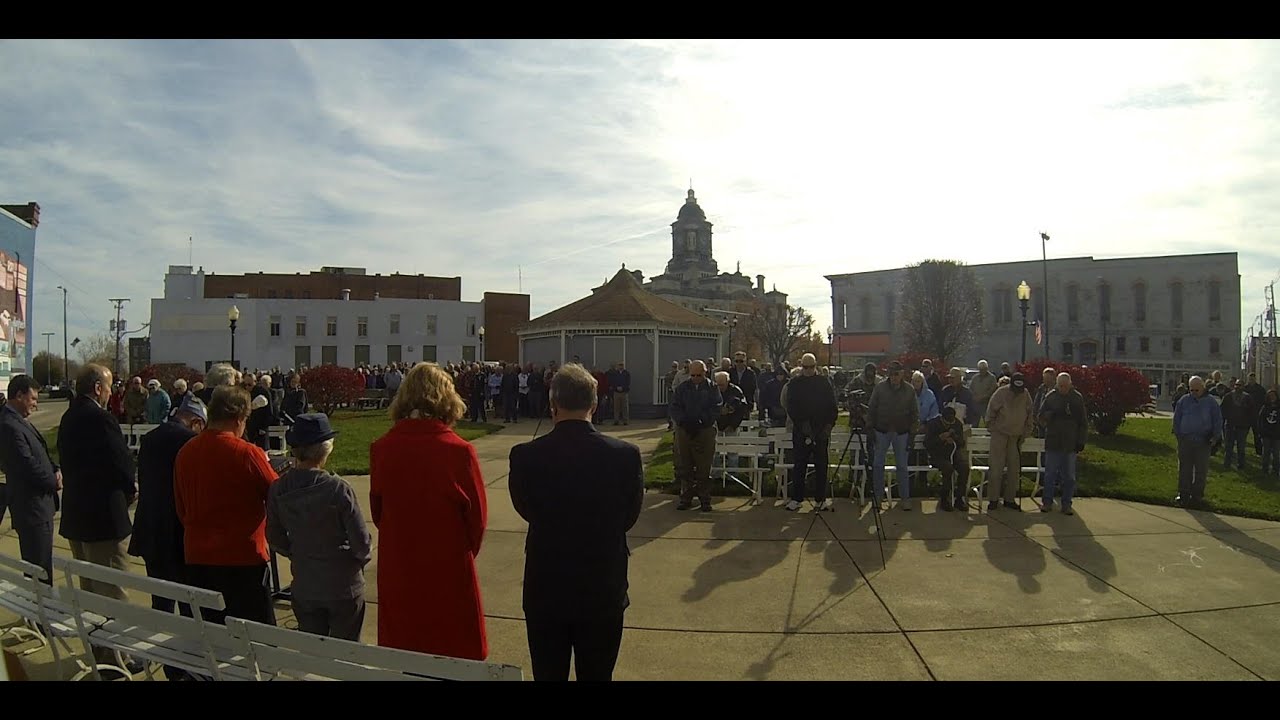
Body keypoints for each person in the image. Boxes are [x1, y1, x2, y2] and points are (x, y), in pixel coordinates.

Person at [508, 364, 643, 681]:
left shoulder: (525, 456)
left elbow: (524, 507)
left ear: (552, 404)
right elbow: (630, 515)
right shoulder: (625, 455)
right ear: (594, 404)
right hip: (602, 583)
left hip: (546, 584)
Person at [370, 363, 488, 660]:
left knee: (406, 650)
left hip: (400, 563)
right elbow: (477, 521)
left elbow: (378, 511)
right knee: (452, 649)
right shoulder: (458, 451)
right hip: (447, 564)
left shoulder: (383, 448)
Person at [58, 364, 143, 670]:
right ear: (97, 388)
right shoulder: (101, 418)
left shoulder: (69, 417)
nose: (110, 392)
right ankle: (118, 659)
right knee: (112, 591)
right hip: (103, 519)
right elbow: (121, 462)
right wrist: (131, 487)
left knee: (90, 592)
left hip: (77, 517)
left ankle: (101, 652)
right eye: (108, 387)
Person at [174, 386, 279, 626]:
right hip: (243, 558)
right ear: (239, 418)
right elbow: (276, 493)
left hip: (198, 557)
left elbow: (181, 507)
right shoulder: (247, 453)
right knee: (258, 635)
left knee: (212, 633)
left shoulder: (186, 452)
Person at [266, 413, 371, 641]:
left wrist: (297, 553)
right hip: (343, 585)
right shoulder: (338, 489)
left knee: (313, 649)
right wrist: (356, 561)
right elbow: (362, 543)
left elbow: (274, 536)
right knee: (347, 650)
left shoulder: (279, 489)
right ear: (326, 449)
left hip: (305, 584)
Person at [128, 395, 206, 680]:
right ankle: (187, 664)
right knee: (188, 605)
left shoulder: (150, 438)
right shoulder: (190, 442)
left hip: (151, 528)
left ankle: (168, 661)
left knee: (161, 602)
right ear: (196, 423)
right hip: (178, 530)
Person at [0, 374, 61, 584]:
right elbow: (26, 464)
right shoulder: (8, 424)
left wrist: (55, 468)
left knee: (42, 567)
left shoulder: (18, 421)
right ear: (19, 395)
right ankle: (41, 604)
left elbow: (40, 451)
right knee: (39, 570)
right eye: (33, 398)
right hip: (31, 508)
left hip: (39, 506)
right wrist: (53, 481)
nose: (36, 404)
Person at [784, 354, 839, 512]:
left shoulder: (824, 382)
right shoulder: (795, 383)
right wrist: (803, 425)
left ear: (816, 366)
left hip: (821, 431)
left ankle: (820, 499)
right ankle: (797, 498)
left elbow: (832, 406)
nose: (808, 370)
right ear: (801, 366)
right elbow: (791, 406)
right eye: (805, 367)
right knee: (799, 465)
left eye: (811, 367)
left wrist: (828, 426)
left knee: (821, 466)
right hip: (801, 431)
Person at [669, 360, 722, 512]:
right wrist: (683, 421)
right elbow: (674, 407)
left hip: (705, 430)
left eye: (699, 375)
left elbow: (716, 407)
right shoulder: (682, 388)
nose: (696, 378)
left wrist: (702, 420)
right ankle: (685, 498)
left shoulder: (712, 388)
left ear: (705, 373)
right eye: (693, 375)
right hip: (685, 430)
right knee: (685, 465)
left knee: (704, 467)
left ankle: (704, 499)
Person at [868, 361, 919, 510]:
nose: (893, 377)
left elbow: (915, 413)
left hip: (901, 431)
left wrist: (912, 433)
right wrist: (870, 427)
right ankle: (878, 497)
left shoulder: (909, 390)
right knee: (878, 465)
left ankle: (905, 498)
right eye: (891, 374)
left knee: (902, 466)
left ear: (902, 374)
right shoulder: (880, 388)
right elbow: (872, 408)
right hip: (881, 430)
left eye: (896, 374)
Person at [984, 372, 1034, 511]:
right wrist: (993, 429)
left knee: (1014, 470)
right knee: (996, 469)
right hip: (1000, 436)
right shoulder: (1001, 393)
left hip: (1016, 438)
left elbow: (1030, 415)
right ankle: (993, 499)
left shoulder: (1025, 394)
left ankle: (1009, 499)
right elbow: (990, 413)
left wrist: (1025, 433)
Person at [1038, 372, 1087, 515]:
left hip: (1070, 443)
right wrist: (1049, 416)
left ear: (1070, 384)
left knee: (1069, 477)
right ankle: (1047, 502)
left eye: (1065, 386)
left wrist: (1081, 441)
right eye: (1060, 386)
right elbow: (1040, 417)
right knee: (1050, 475)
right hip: (1053, 442)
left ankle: (1066, 504)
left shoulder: (1077, 398)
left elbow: (1083, 422)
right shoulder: (1050, 397)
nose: (1063, 389)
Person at [1172, 376, 1222, 508]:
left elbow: (1217, 420)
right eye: (1191, 390)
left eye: (1197, 390)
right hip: (1185, 440)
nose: (1194, 393)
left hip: (1203, 441)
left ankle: (1197, 495)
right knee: (1184, 469)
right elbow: (1177, 418)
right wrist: (1178, 435)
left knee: (1201, 470)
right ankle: (1183, 494)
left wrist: (1215, 437)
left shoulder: (1211, 402)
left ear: (1203, 388)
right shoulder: (1184, 401)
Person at [925, 405, 968, 511]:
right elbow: (927, 443)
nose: (948, 425)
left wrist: (954, 439)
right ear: (942, 418)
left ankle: (959, 498)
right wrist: (940, 438)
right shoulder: (933, 424)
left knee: (964, 467)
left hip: (953, 454)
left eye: (950, 423)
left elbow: (961, 443)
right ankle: (945, 499)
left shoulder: (957, 424)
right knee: (948, 468)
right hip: (937, 455)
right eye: (946, 423)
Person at [1220, 379, 1255, 471]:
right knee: (1228, 447)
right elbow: (1222, 410)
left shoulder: (1247, 398)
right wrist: (1226, 419)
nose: (1237, 387)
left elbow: (1252, 412)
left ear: (1243, 386)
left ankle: (1241, 465)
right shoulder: (1228, 396)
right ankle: (1227, 464)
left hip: (1242, 426)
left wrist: (1248, 424)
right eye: (1236, 385)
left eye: (1240, 385)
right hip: (1230, 425)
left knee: (1241, 447)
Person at [1258, 390, 1280, 476]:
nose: (1272, 397)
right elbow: (1260, 420)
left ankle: (1276, 470)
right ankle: (1265, 469)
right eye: (1270, 396)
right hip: (1266, 434)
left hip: (1277, 435)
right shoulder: (1264, 408)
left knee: (1276, 453)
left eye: (1273, 395)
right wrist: (1261, 432)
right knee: (1266, 452)